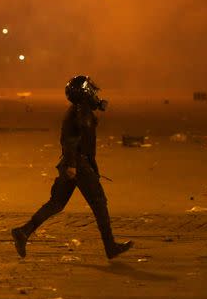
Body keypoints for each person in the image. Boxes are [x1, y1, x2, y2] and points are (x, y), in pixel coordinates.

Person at [11, 75, 133, 260]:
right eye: (91, 90)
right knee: (99, 203)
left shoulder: (77, 109)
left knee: (56, 203)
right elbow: (70, 140)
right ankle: (110, 247)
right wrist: (73, 165)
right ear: (85, 93)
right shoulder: (81, 112)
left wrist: (98, 105)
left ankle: (24, 231)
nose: (94, 93)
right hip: (79, 165)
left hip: (74, 163)